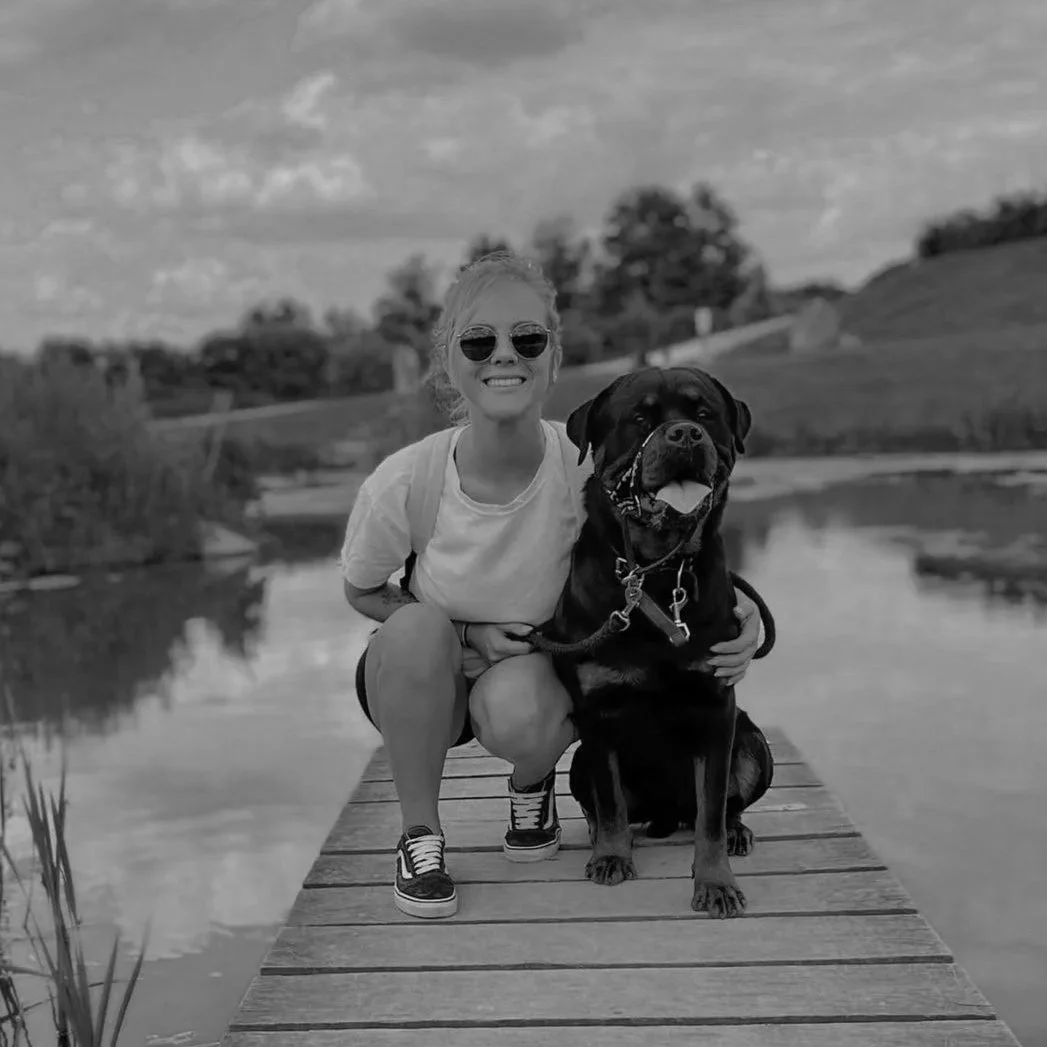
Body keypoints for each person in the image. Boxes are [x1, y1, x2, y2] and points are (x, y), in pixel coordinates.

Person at [339, 251, 765, 919]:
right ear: (448, 360)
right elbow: (361, 588)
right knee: (415, 626)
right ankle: (420, 835)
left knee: (535, 701)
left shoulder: (581, 470)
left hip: (530, 676)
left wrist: (750, 620)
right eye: (478, 341)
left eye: (526, 338)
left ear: (552, 356)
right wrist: (464, 631)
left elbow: (669, 559)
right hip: (427, 677)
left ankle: (531, 789)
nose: (502, 355)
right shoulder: (406, 479)